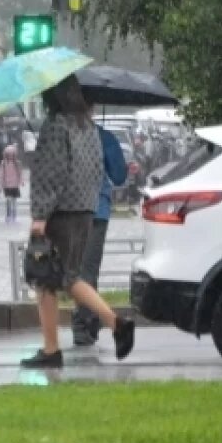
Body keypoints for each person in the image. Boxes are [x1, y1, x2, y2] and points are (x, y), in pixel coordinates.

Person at [24, 76, 135, 369]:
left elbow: (52, 175)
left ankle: (51, 350)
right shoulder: (87, 128)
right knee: (70, 277)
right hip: (86, 211)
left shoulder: (56, 126)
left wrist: (40, 217)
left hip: (59, 213)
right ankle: (117, 323)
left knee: (44, 276)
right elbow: (97, 172)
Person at [72, 116, 129, 347]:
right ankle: (84, 324)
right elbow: (120, 176)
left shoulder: (61, 138)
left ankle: (88, 321)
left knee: (75, 271)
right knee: (88, 270)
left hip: (69, 213)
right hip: (96, 212)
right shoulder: (104, 138)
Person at [0, 144, 24, 224]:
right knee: (8, 201)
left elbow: (20, 173)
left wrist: (21, 181)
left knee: (14, 202)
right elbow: (1, 174)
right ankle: (8, 216)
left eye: (12, 154)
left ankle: (14, 216)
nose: (10, 156)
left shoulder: (17, 163)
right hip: (7, 186)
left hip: (15, 186)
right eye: (8, 154)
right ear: (5, 155)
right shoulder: (3, 164)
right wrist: (0, 185)